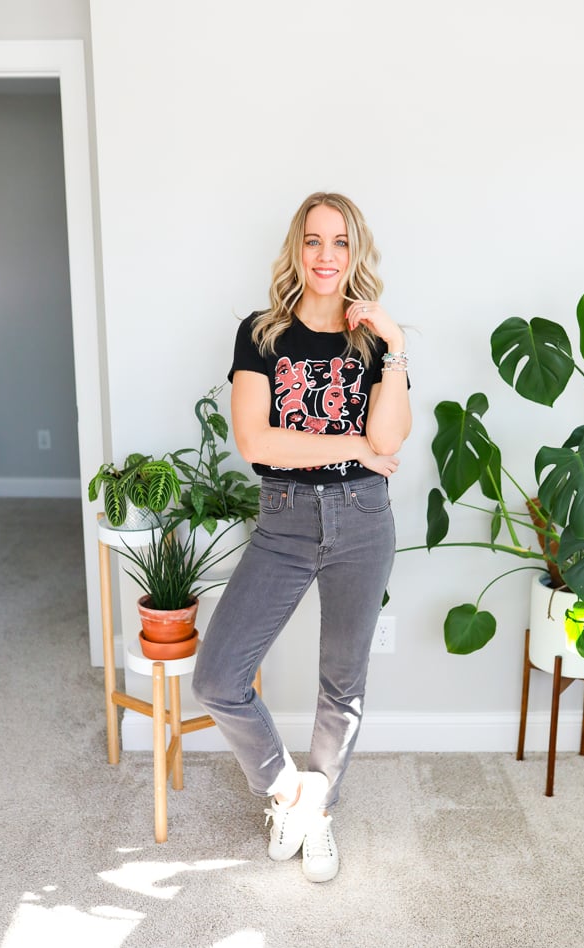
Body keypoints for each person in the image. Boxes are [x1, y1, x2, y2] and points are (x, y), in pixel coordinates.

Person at [193, 191, 411, 883]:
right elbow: (256, 442)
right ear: (296, 249)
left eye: (339, 242)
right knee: (219, 676)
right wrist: (347, 443)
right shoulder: (261, 334)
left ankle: (317, 814)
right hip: (284, 517)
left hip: (362, 517)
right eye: (313, 241)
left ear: (354, 253)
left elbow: (389, 439)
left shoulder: (373, 339)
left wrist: (397, 347)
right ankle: (287, 792)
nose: (325, 255)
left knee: (341, 685)